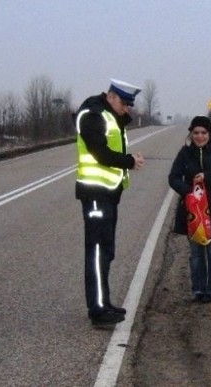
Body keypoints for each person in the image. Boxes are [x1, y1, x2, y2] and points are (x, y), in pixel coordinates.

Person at [74, 79, 145, 327]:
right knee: (96, 252)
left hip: (107, 194)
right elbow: (100, 153)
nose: (127, 108)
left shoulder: (109, 116)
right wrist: (129, 161)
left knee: (106, 251)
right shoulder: (93, 115)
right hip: (95, 193)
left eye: (129, 104)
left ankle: (104, 302)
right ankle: (97, 309)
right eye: (124, 103)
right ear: (112, 96)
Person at [168, 116, 211, 303]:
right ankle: (198, 289)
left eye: (203, 133)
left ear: (210, 133)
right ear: (191, 134)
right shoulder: (185, 153)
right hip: (192, 211)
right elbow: (173, 177)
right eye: (196, 133)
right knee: (196, 254)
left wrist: (207, 177)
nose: (200, 136)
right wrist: (188, 191)